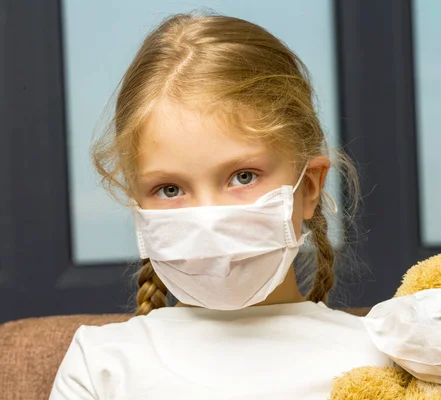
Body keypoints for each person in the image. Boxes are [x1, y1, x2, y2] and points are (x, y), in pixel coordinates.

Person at [49, 13, 392, 400]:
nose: (207, 220)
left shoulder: (388, 356)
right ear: (137, 204)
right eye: (169, 189)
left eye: (243, 177)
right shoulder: (100, 364)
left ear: (308, 186)